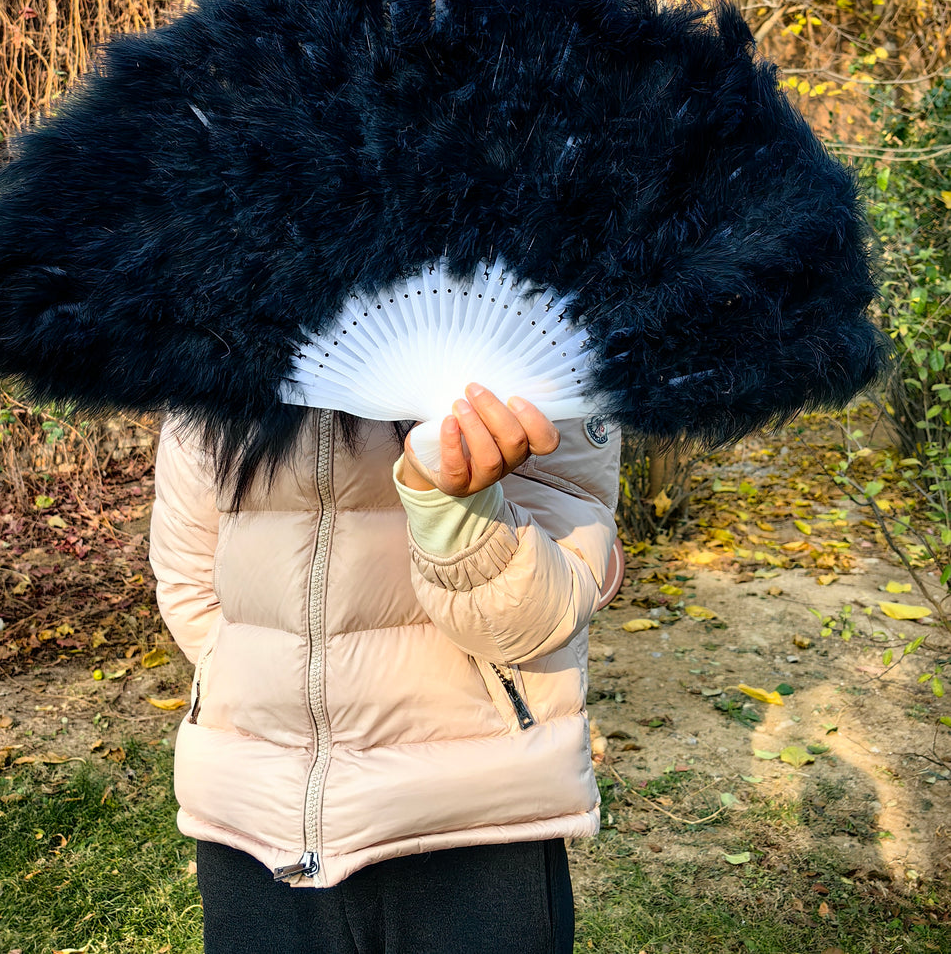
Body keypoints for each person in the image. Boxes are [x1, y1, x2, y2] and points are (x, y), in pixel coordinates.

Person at [149, 383, 621, 954]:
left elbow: (531, 624)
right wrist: (266, 718)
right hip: (253, 822)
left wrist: (451, 509)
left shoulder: (535, 338)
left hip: (470, 821)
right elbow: (191, 586)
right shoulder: (216, 339)